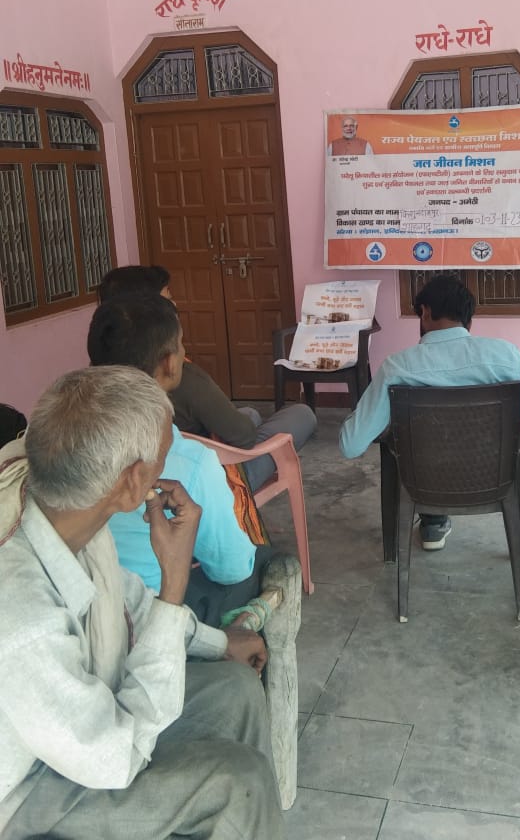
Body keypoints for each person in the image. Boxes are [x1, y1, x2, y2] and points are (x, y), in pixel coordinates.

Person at [0, 366, 283, 839]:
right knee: (238, 782)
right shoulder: (22, 619)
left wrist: (217, 642)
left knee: (237, 688)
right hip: (27, 790)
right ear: (134, 482)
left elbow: (124, 597)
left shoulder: (58, 506)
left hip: (82, 722)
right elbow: (115, 756)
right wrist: (175, 581)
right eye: (164, 456)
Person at [340, 274, 520, 549]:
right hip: (492, 478)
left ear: (425, 312)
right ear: (468, 321)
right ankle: (436, 524)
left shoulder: (396, 368)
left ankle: (433, 521)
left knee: (417, 447)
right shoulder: (507, 356)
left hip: (423, 483)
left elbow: (350, 445)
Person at [88, 294, 263, 611]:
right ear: (169, 363)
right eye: (181, 344)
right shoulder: (188, 461)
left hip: (73, 606)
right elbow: (232, 568)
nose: (184, 352)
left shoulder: (48, 440)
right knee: (261, 564)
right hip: (146, 614)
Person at [98, 264, 316, 491]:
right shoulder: (178, 377)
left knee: (250, 414)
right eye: (167, 300)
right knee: (301, 414)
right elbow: (243, 437)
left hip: (144, 481)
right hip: (210, 482)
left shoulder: (101, 375)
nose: (175, 306)